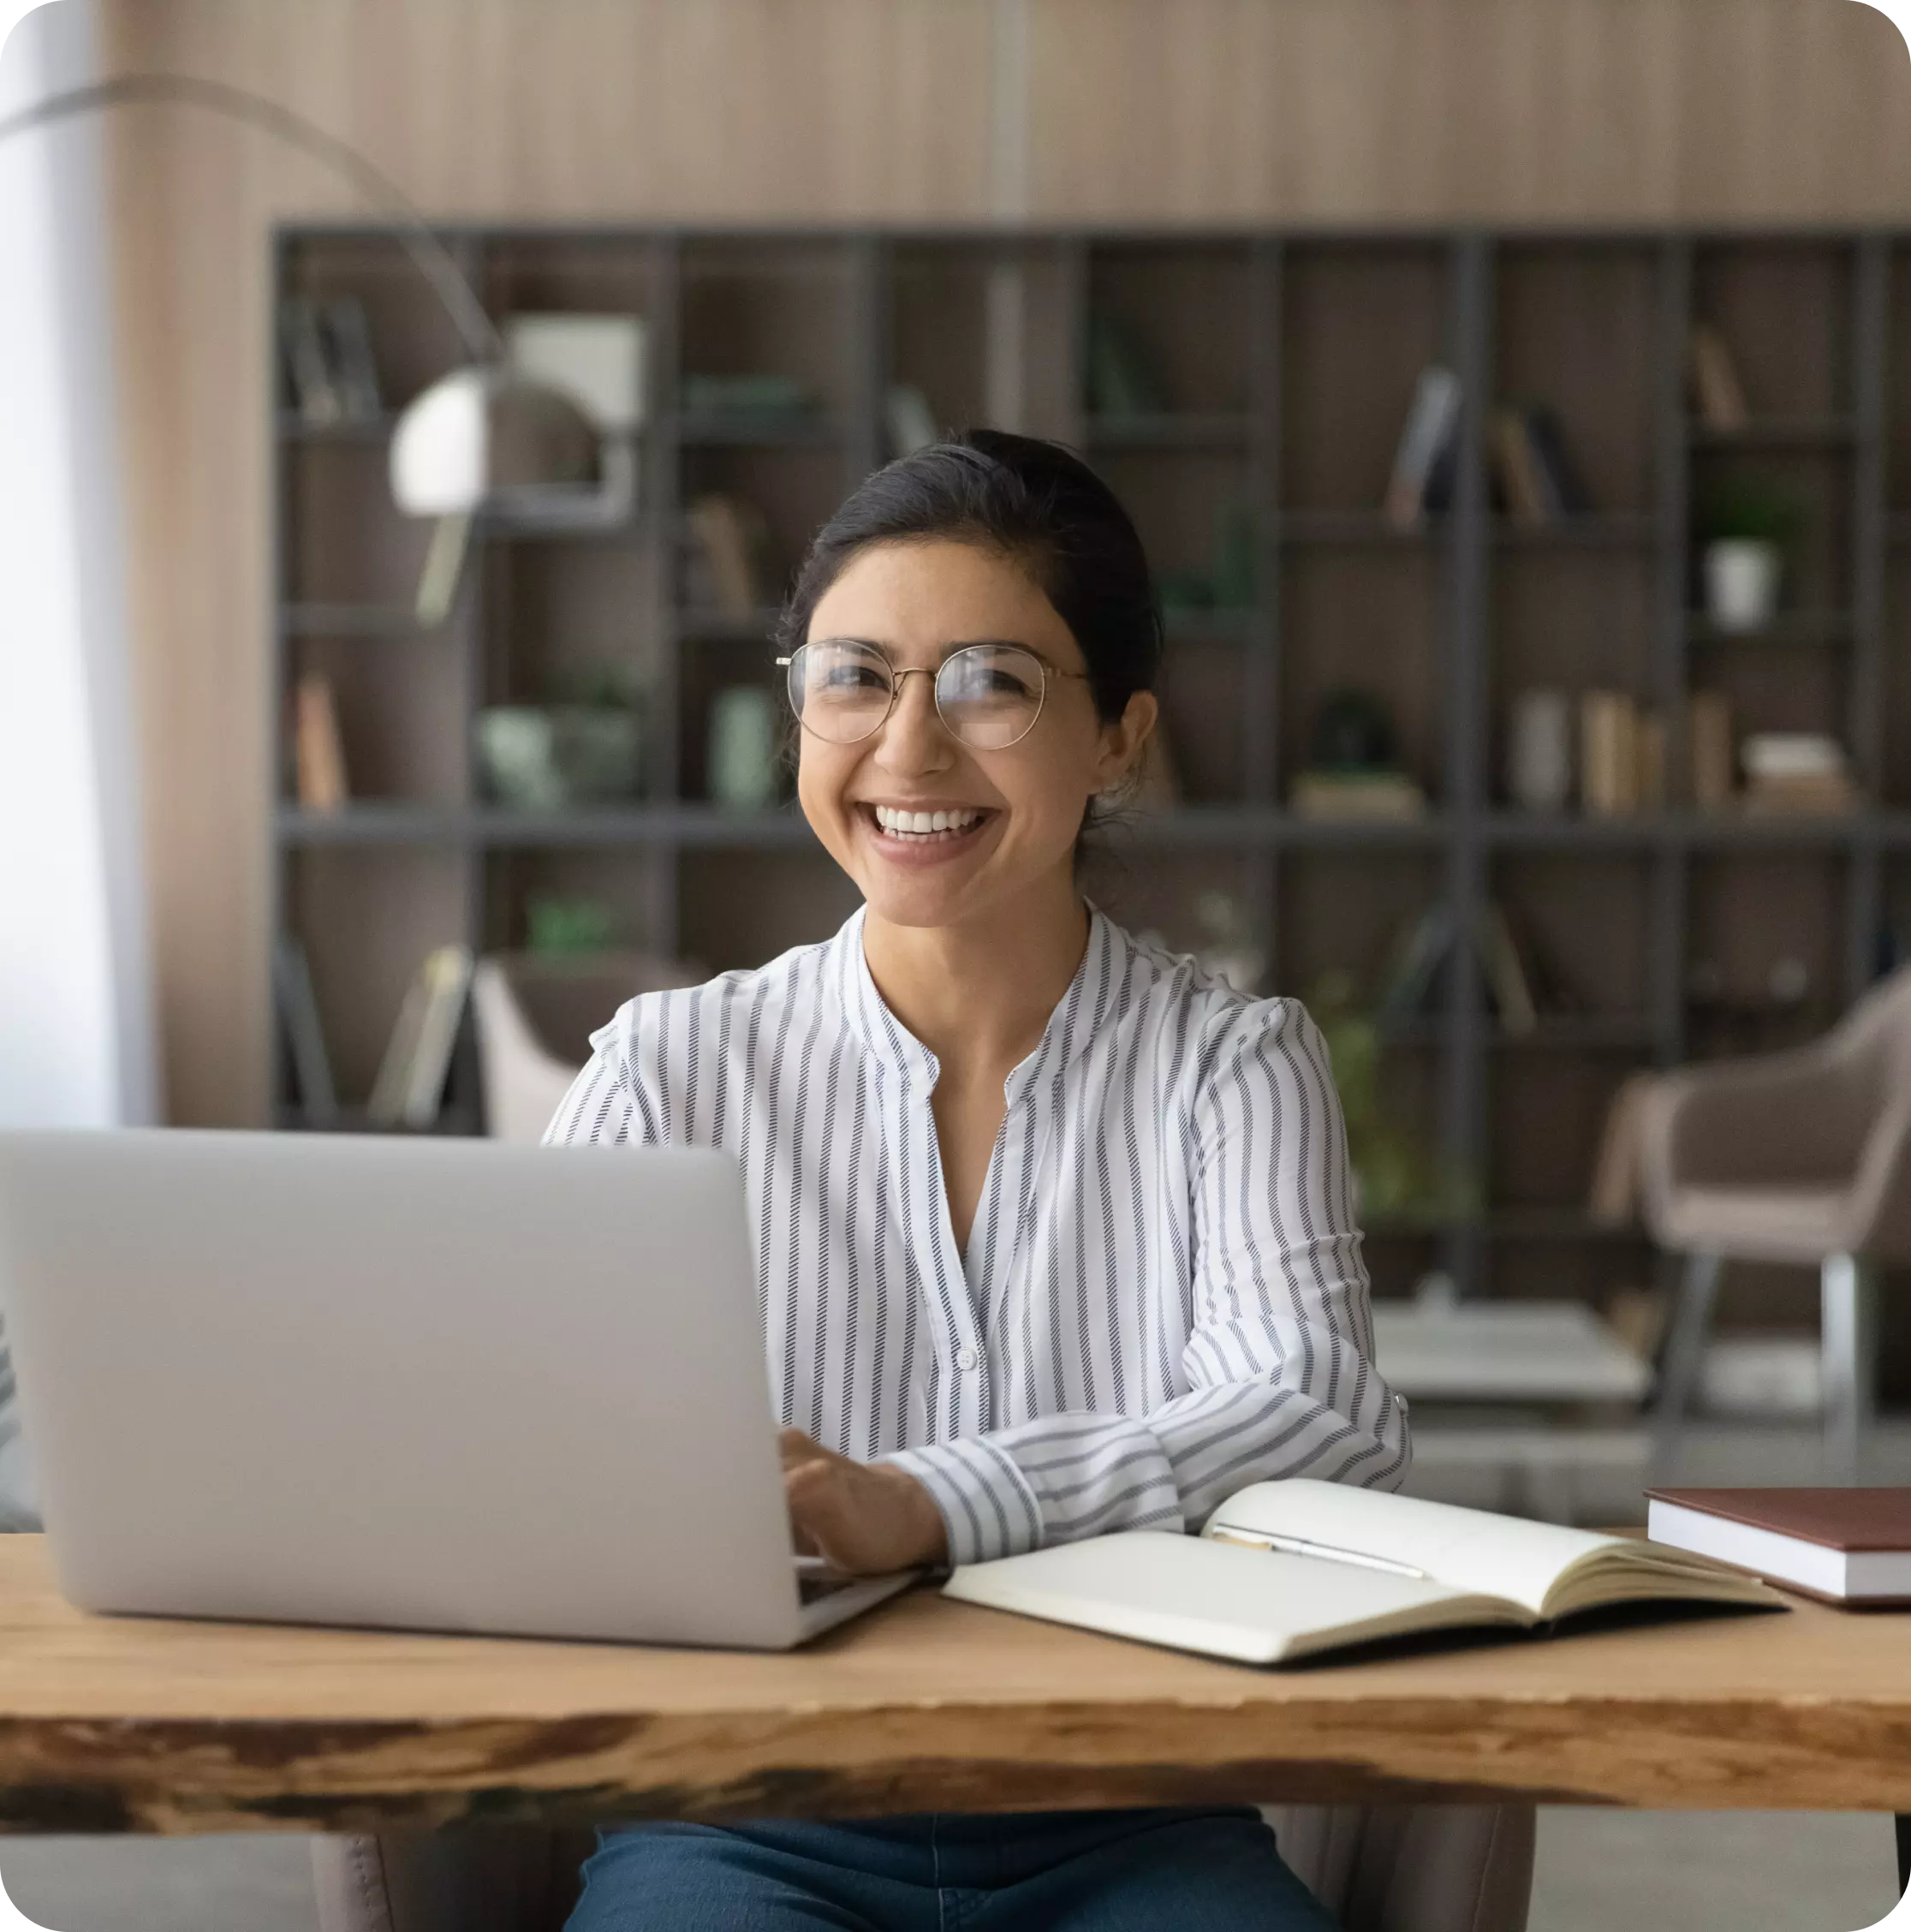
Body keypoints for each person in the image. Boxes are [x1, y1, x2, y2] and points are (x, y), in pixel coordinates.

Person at [550, 430, 1408, 1931]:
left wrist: (928, 1505)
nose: (908, 749)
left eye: (990, 682)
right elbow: (532, 1451)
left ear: (1120, 738)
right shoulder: (666, 1072)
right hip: (736, 1822)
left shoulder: (1234, 1064)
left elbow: (1314, 1413)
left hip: (1138, 1825)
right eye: (854, 676)